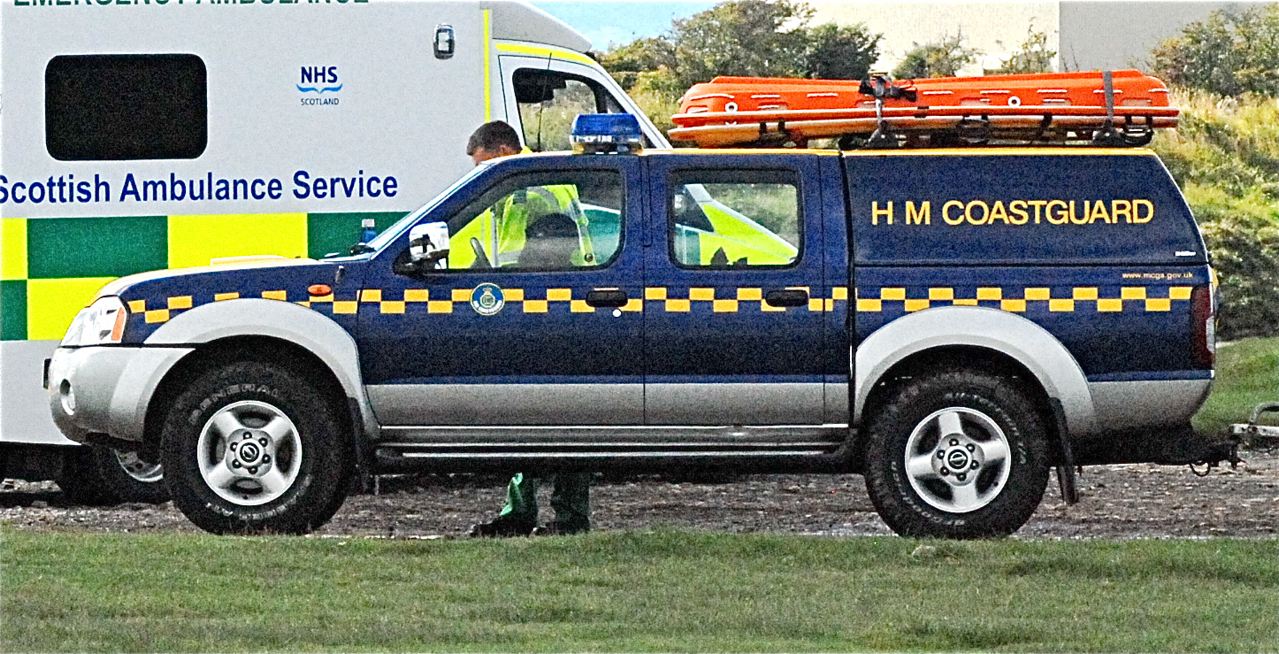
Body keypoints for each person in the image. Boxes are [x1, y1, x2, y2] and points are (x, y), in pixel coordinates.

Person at [463, 121, 593, 537]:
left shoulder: (529, 188)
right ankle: (528, 514)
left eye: (485, 164)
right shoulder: (533, 179)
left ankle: (561, 517)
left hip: (545, 301)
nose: (481, 174)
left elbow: (549, 243)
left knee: (561, 421)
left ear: (503, 149)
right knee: (528, 418)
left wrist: (496, 274)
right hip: (538, 297)